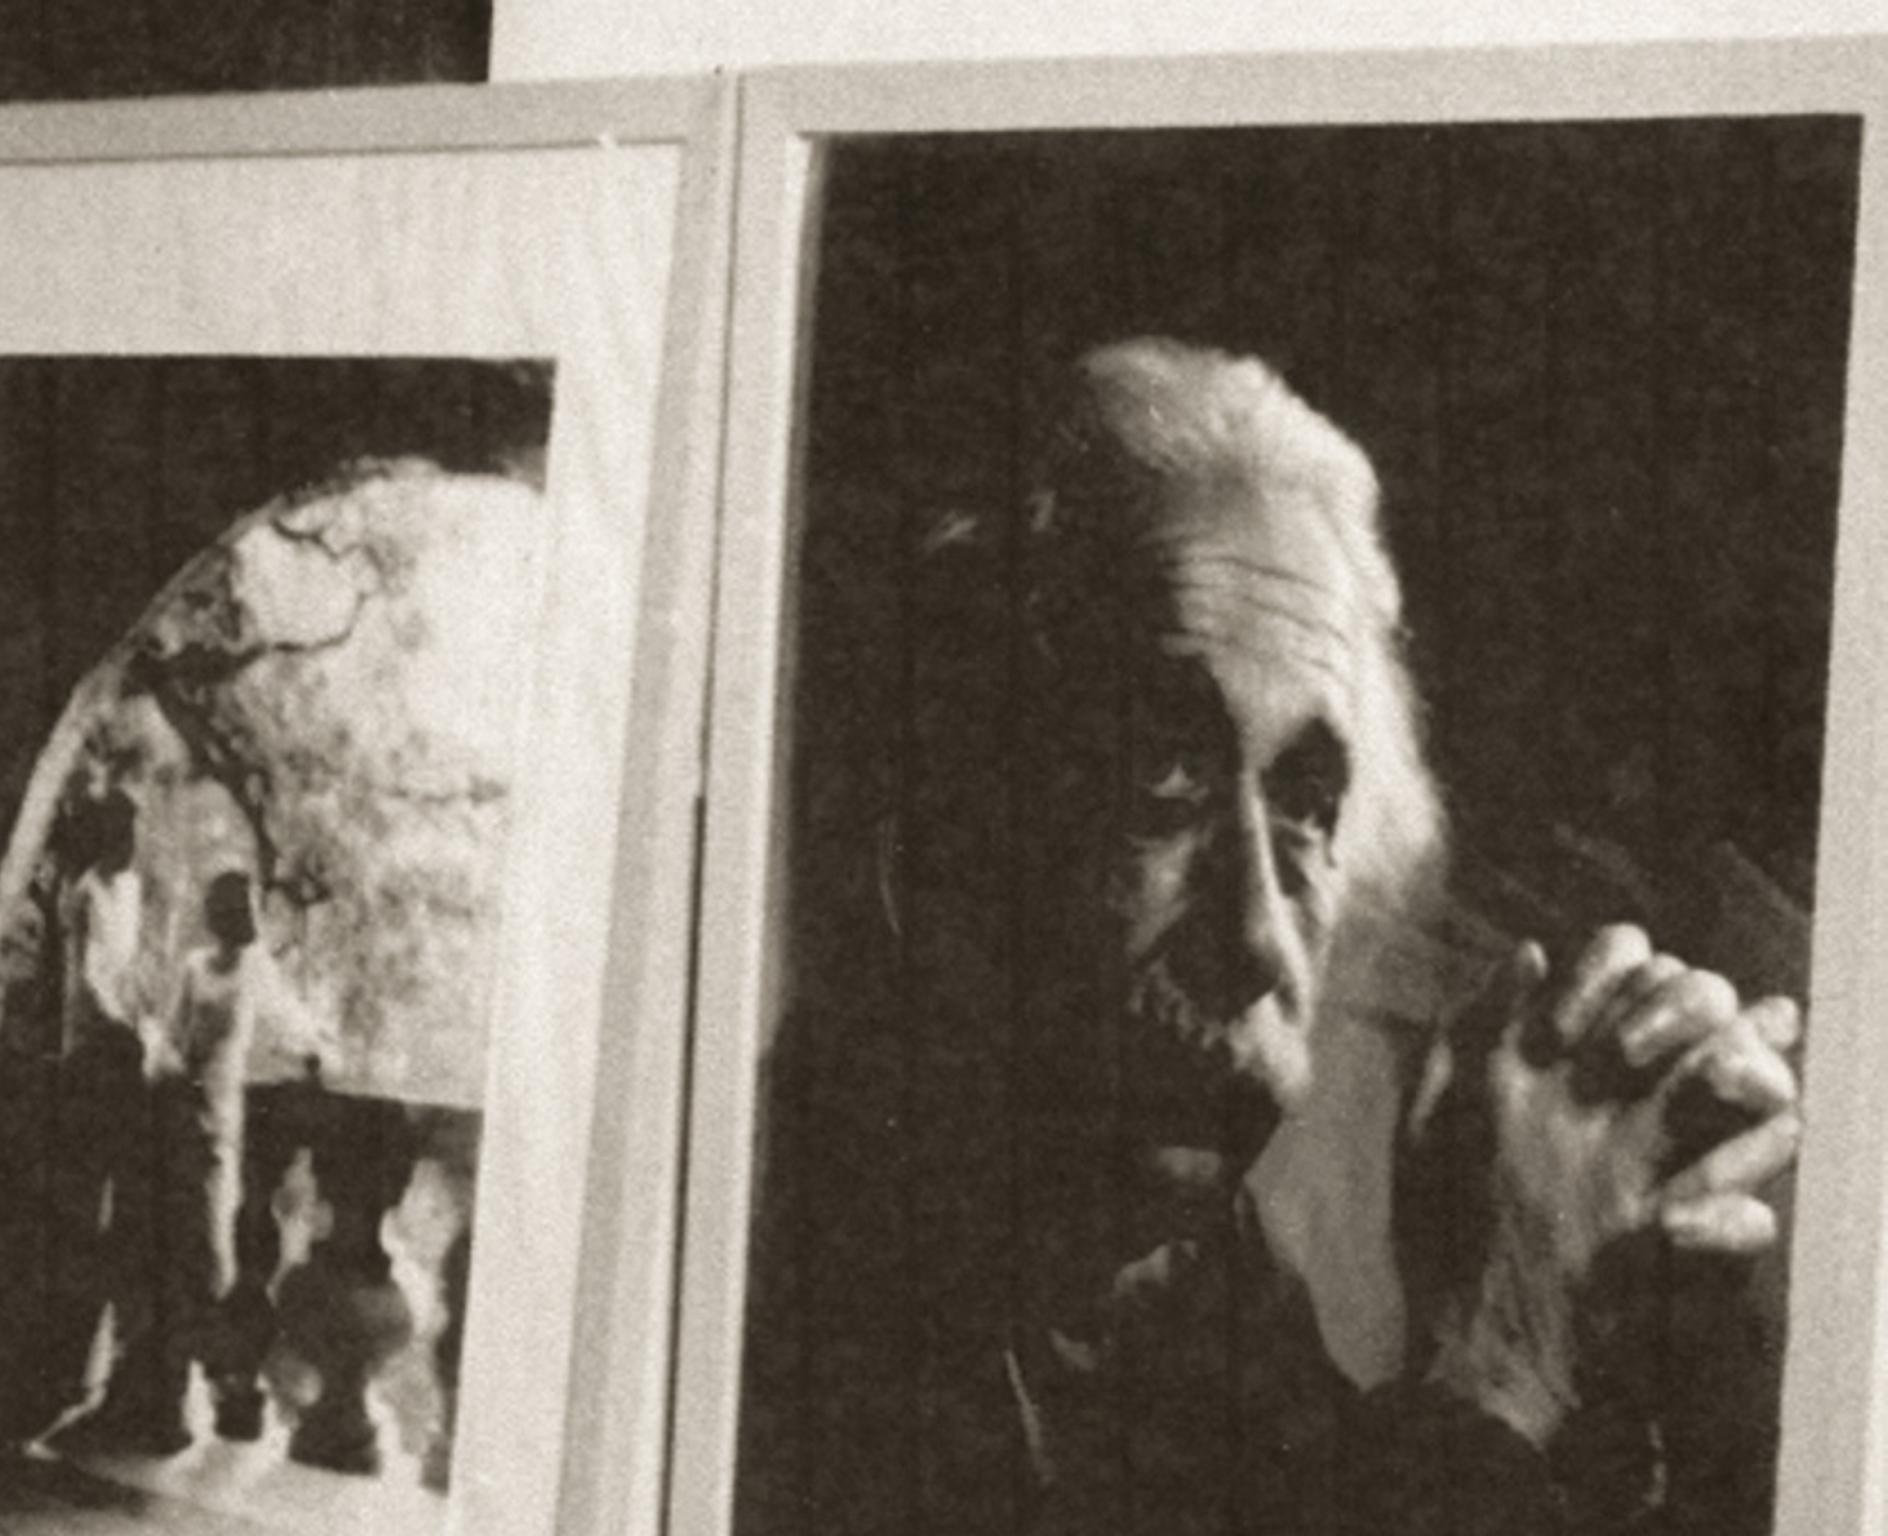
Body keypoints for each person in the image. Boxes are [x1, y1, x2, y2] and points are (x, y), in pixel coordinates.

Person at [735, 338, 1803, 1536]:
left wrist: (1630, 1316)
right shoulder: (762, 1291)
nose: (1254, 939)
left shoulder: (1195, 1287)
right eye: (1160, 777)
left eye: (1307, 807)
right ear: (938, 844)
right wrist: (1507, 1356)